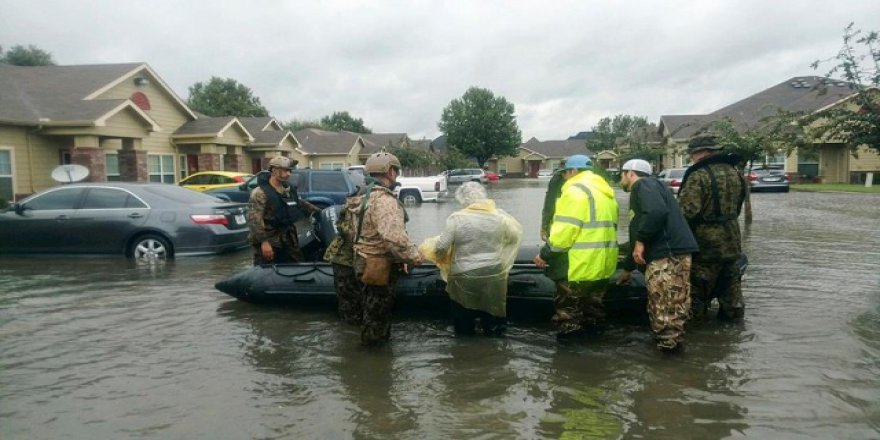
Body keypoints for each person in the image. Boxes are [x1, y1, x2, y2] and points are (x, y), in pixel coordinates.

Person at [617, 159, 699, 352]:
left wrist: (640, 241)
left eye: (622, 174)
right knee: (668, 304)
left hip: (667, 255)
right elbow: (638, 229)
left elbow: (656, 212)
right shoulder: (653, 188)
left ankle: (669, 357)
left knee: (666, 306)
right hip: (671, 253)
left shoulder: (643, 185)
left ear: (631, 173)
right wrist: (628, 268)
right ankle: (669, 352)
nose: (621, 179)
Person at [421, 182, 523, 336]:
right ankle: (495, 347)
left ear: (462, 200)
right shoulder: (501, 218)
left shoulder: (457, 218)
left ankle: (464, 349)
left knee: (463, 316)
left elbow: (442, 246)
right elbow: (514, 238)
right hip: (494, 273)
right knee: (493, 315)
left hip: (464, 274)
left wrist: (439, 258)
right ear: (483, 197)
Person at [352, 152, 424, 346]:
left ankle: (368, 352)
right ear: (391, 172)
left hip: (362, 260)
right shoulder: (385, 201)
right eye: (396, 172)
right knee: (378, 317)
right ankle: (373, 361)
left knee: (369, 310)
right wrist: (415, 257)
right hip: (377, 266)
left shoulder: (362, 196)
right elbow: (394, 239)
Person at [545, 154, 619, 338]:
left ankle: (570, 361)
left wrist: (545, 253)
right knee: (594, 312)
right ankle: (596, 355)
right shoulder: (606, 193)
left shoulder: (574, 192)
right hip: (602, 265)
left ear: (573, 171)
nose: (563, 177)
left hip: (578, 266)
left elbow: (563, 235)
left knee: (568, 316)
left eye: (565, 173)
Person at [677, 135, 747, 321]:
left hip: (705, 248)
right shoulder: (736, 172)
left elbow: (685, 213)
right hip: (732, 241)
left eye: (691, 154)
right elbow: (739, 206)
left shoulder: (698, 175)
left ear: (699, 153)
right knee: (732, 296)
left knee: (696, 297)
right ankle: (733, 338)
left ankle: (698, 342)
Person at [247, 156, 319, 265]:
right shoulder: (260, 193)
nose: (289, 174)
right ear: (274, 171)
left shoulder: (287, 189)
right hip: (270, 239)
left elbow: (300, 203)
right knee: (267, 270)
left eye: (290, 171)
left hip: (288, 237)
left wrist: (319, 212)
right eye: (285, 170)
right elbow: (255, 220)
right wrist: (264, 243)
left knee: (297, 265)